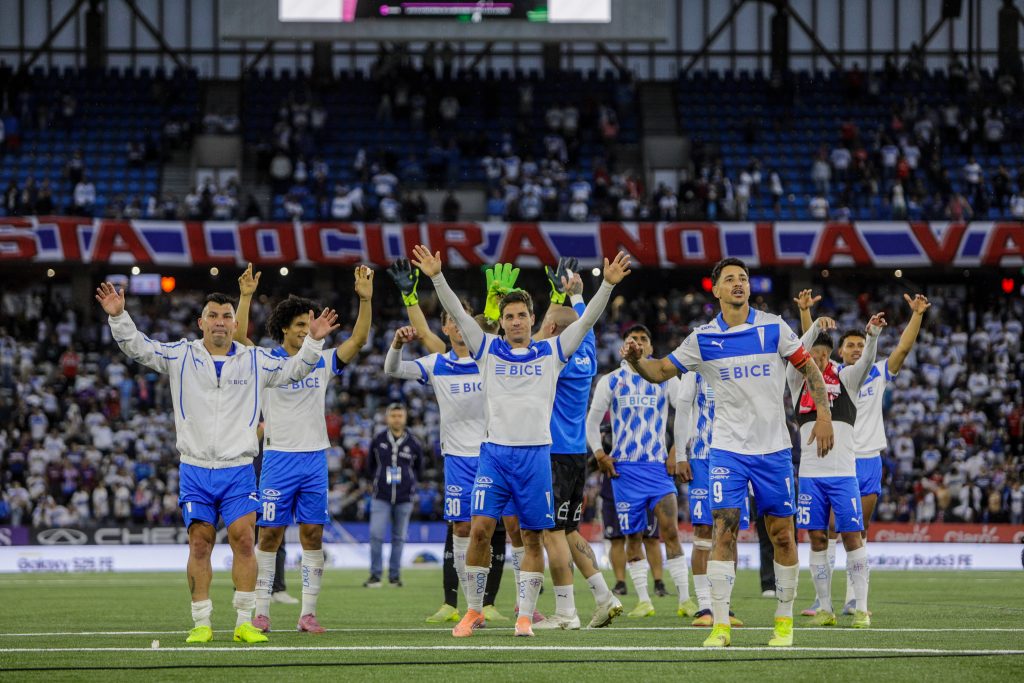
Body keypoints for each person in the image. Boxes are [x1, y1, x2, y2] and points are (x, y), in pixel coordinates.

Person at [94, 282, 339, 644]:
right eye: (213, 316)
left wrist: (314, 341)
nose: (221, 322)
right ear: (201, 322)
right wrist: (119, 317)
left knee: (243, 542)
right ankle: (202, 623)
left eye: (227, 316)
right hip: (194, 468)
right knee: (200, 545)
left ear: (234, 323)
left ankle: (244, 621)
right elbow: (140, 348)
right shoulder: (181, 356)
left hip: (238, 468)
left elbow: (296, 371)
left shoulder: (255, 360)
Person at [410, 243, 631, 638]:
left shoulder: (552, 352)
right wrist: (436, 277)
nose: (515, 322)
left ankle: (525, 615)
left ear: (533, 320)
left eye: (522, 316)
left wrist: (607, 287)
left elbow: (584, 324)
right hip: (493, 456)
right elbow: (459, 314)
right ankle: (474, 610)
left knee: (531, 538)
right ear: (504, 321)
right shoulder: (487, 349)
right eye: (509, 316)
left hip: (535, 458)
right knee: (479, 530)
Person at [622, 257, 833, 648]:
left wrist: (823, 416)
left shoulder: (773, 327)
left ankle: (783, 625)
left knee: (783, 535)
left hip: (773, 449)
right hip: (727, 450)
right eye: (730, 279)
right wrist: (636, 361)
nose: (738, 283)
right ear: (715, 289)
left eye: (744, 278)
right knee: (724, 529)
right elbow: (658, 372)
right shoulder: (701, 339)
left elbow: (810, 371)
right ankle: (720, 625)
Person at [232, 263, 373, 634]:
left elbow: (357, 341)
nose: (310, 330)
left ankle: (307, 614)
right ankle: (261, 611)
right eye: (302, 326)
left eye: (312, 324)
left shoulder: (323, 361)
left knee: (313, 536)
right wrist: (245, 296)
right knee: (270, 536)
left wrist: (365, 299)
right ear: (285, 329)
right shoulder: (266, 360)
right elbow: (238, 336)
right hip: (278, 458)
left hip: (314, 459)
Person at [383, 258, 510, 625]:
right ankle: (470, 606)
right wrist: (396, 344)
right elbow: (393, 369)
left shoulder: (492, 358)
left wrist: (493, 309)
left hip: (493, 455)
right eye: (450, 321)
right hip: (456, 458)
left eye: (461, 319)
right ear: (445, 327)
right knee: (461, 529)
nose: (455, 325)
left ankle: (508, 605)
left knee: (500, 530)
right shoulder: (438, 363)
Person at [797, 290, 930, 616]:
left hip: (867, 458)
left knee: (858, 532)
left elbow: (903, 348)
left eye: (860, 345)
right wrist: (807, 316)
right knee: (825, 531)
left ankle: (854, 599)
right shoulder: (834, 377)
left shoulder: (877, 371)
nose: (856, 349)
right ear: (840, 351)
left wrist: (917, 315)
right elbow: (804, 354)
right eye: (850, 345)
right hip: (834, 459)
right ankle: (821, 599)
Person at [535, 258, 622, 631]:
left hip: (552, 454)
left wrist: (550, 317)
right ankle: (604, 596)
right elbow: (587, 321)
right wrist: (577, 296)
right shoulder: (586, 348)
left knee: (551, 532)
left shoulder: (557, 359)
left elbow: (530, 346)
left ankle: (565, 612)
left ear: (554, 328)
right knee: (570, 531)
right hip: (574, 454)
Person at [587, 324, 695, 621]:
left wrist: (678, 450)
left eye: (643, 339)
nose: (637, 342)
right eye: (632, 338)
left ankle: (685, 599)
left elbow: (687, 411)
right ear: (624, 346)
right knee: (632, 537)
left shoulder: (665, 379)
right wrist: (599, 453)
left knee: (670, 531)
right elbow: (592, 421)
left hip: (658, 468)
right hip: (624, 471)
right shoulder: (611, 381)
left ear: (650, 347)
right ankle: (644, 600)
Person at [787, 313, 884, 629]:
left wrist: (872, 336)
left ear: (831, 356)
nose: (819, 357)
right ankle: (825, 608)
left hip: (844, 473)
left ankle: (861, 609)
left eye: (825, 353)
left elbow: (867, 362)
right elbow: (795, 351)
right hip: (812, 476)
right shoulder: (796, 381)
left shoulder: (846, 379)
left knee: (853, 538)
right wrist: (813, 327)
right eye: (814, 352)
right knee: (817, 538)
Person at [674, 369, 749, 626]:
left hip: (738, 456)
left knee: (731, 530)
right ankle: (705, 606)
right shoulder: (695, 370)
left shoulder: (740, 365)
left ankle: (724, 606)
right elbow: (683, 411)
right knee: (704, 529)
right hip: (703, 456)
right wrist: (681, 456)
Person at [362, 403, 423, 587]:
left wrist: (410, 484)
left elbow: (419, 468)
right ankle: (375, 576)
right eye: (393, 415)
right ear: (387, 418)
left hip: (405, 498)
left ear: (405, 418)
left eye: (400, 415)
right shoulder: (378, 439)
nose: (396, 419)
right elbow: (369, 466)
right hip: (381, 496)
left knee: (399, 538)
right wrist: (375, 482)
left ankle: (394, 576)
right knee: (376, 535)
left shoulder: (413, 442)